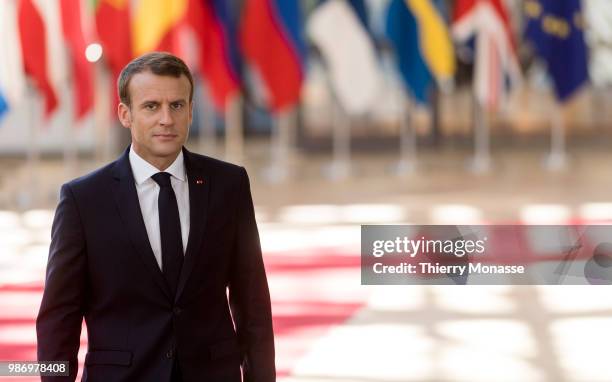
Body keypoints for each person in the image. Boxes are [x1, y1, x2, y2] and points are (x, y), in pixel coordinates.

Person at [36, 52, 275, 382]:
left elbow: (253, 303)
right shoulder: (83, 199)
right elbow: (58, 317)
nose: (166, 119)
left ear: (191, 111)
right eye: (151, 106)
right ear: (125, 114)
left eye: (177, 105)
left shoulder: (229, 185)